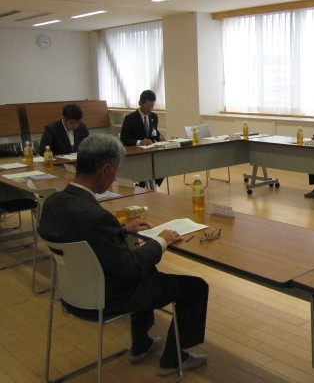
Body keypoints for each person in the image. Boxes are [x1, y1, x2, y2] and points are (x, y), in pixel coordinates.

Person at [38, 134, 209, 377]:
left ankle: (142, 345)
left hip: (71, 294)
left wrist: (119, 230)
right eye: (116, 171)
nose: (115, 179)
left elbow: (83, 234)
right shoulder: (96, 216)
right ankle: (173, 359)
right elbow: (128, 268)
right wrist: (162, 241)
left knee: (146, 269)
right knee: (195, 287)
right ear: (105, 169)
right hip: (106, 298)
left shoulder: (54, 203)